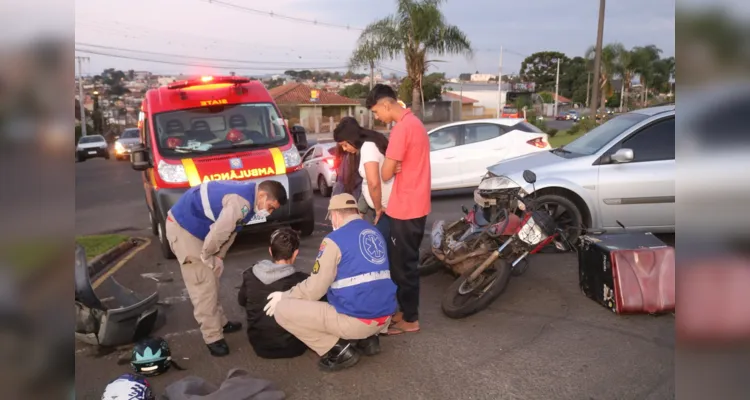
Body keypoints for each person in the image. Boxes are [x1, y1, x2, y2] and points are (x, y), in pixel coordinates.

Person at [263, 194, 397, 372]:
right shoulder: (375, 232)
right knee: (346, 288)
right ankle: (368, 340)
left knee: (282, 311)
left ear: (334, 215)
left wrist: (285, 295)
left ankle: (339, 350)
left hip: (358, 320)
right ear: (356, 212)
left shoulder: (334, 240)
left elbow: (314, 289)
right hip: (385, 315)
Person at [166, 179, 287, 357]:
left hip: (197, 229)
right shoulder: (241, 202)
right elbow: (220, 232)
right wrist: (207, 255)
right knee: (202, 284)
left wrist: (219, 257)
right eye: (270, 207)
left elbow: (233, 231)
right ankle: (212, 337)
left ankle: (219, 322)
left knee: (211, 277)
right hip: (183, 229)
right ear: (262, 195)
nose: (268, 213)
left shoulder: (250, 199)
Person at [365, 84, 431, 336]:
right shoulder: (415, 124)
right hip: (412, 205)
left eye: (375, 112)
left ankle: (411, 318)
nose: (377, 118)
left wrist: (392, 167)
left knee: (404, 266)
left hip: (407, 208)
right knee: (402, 263)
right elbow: (395, 167)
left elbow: (384, 173)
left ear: (385, 104)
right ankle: (404, 311)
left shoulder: (402, 129)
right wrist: (396, 166)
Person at [237, 228, 309, 359]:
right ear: (296, 253)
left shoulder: (249, 274)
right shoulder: (302, 281)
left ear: (270, 250)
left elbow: (241, 301)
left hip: (259, 345)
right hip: (294, 346)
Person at [333, 117, 393, 239]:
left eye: (345, 144)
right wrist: (361, 210)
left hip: (385, 210)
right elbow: (366, 183)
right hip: (383, 209)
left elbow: (373, 182)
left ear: (352, 138)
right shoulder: (368, 145)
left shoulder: (368, 147)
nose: (345, 149)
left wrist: (378, 209)